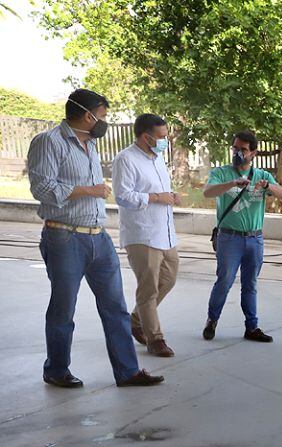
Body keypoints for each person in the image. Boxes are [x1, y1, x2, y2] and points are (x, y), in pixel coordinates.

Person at [26, 88, 164, 388]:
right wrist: (90, 190)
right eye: (102, 115)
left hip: (98, 237)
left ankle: (128, 372)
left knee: (116, 307)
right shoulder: (49, 142)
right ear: (88, 115)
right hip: (64, 237)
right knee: (64, 308)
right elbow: (42, 188)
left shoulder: (90, 144)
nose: (105, 121)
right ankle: (56, 370)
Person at [201, 130, 282, 342]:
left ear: (253, 153)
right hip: (229, 238)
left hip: (254, 239)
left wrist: (267, 186)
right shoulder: (222, 173)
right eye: (235, 148)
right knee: (224, 281)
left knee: (250, 284)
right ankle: (212, 320)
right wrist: (232, 183)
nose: (238, 153)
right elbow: (207, 192)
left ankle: (252, 327)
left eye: (243, 149)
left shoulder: (262, 175)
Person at [113, 113, 181, 357]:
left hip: (165, 232)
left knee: (169, 278)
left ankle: (135, 319)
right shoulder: (126, 159)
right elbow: (123, 196)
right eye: (162, 137)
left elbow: (158, 190)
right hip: (142, 234)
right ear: (145, 137)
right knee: (148, 288)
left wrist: (170, 196)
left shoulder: (157, 158)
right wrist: (155, 197)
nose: (165, 141)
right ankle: (155, 339)